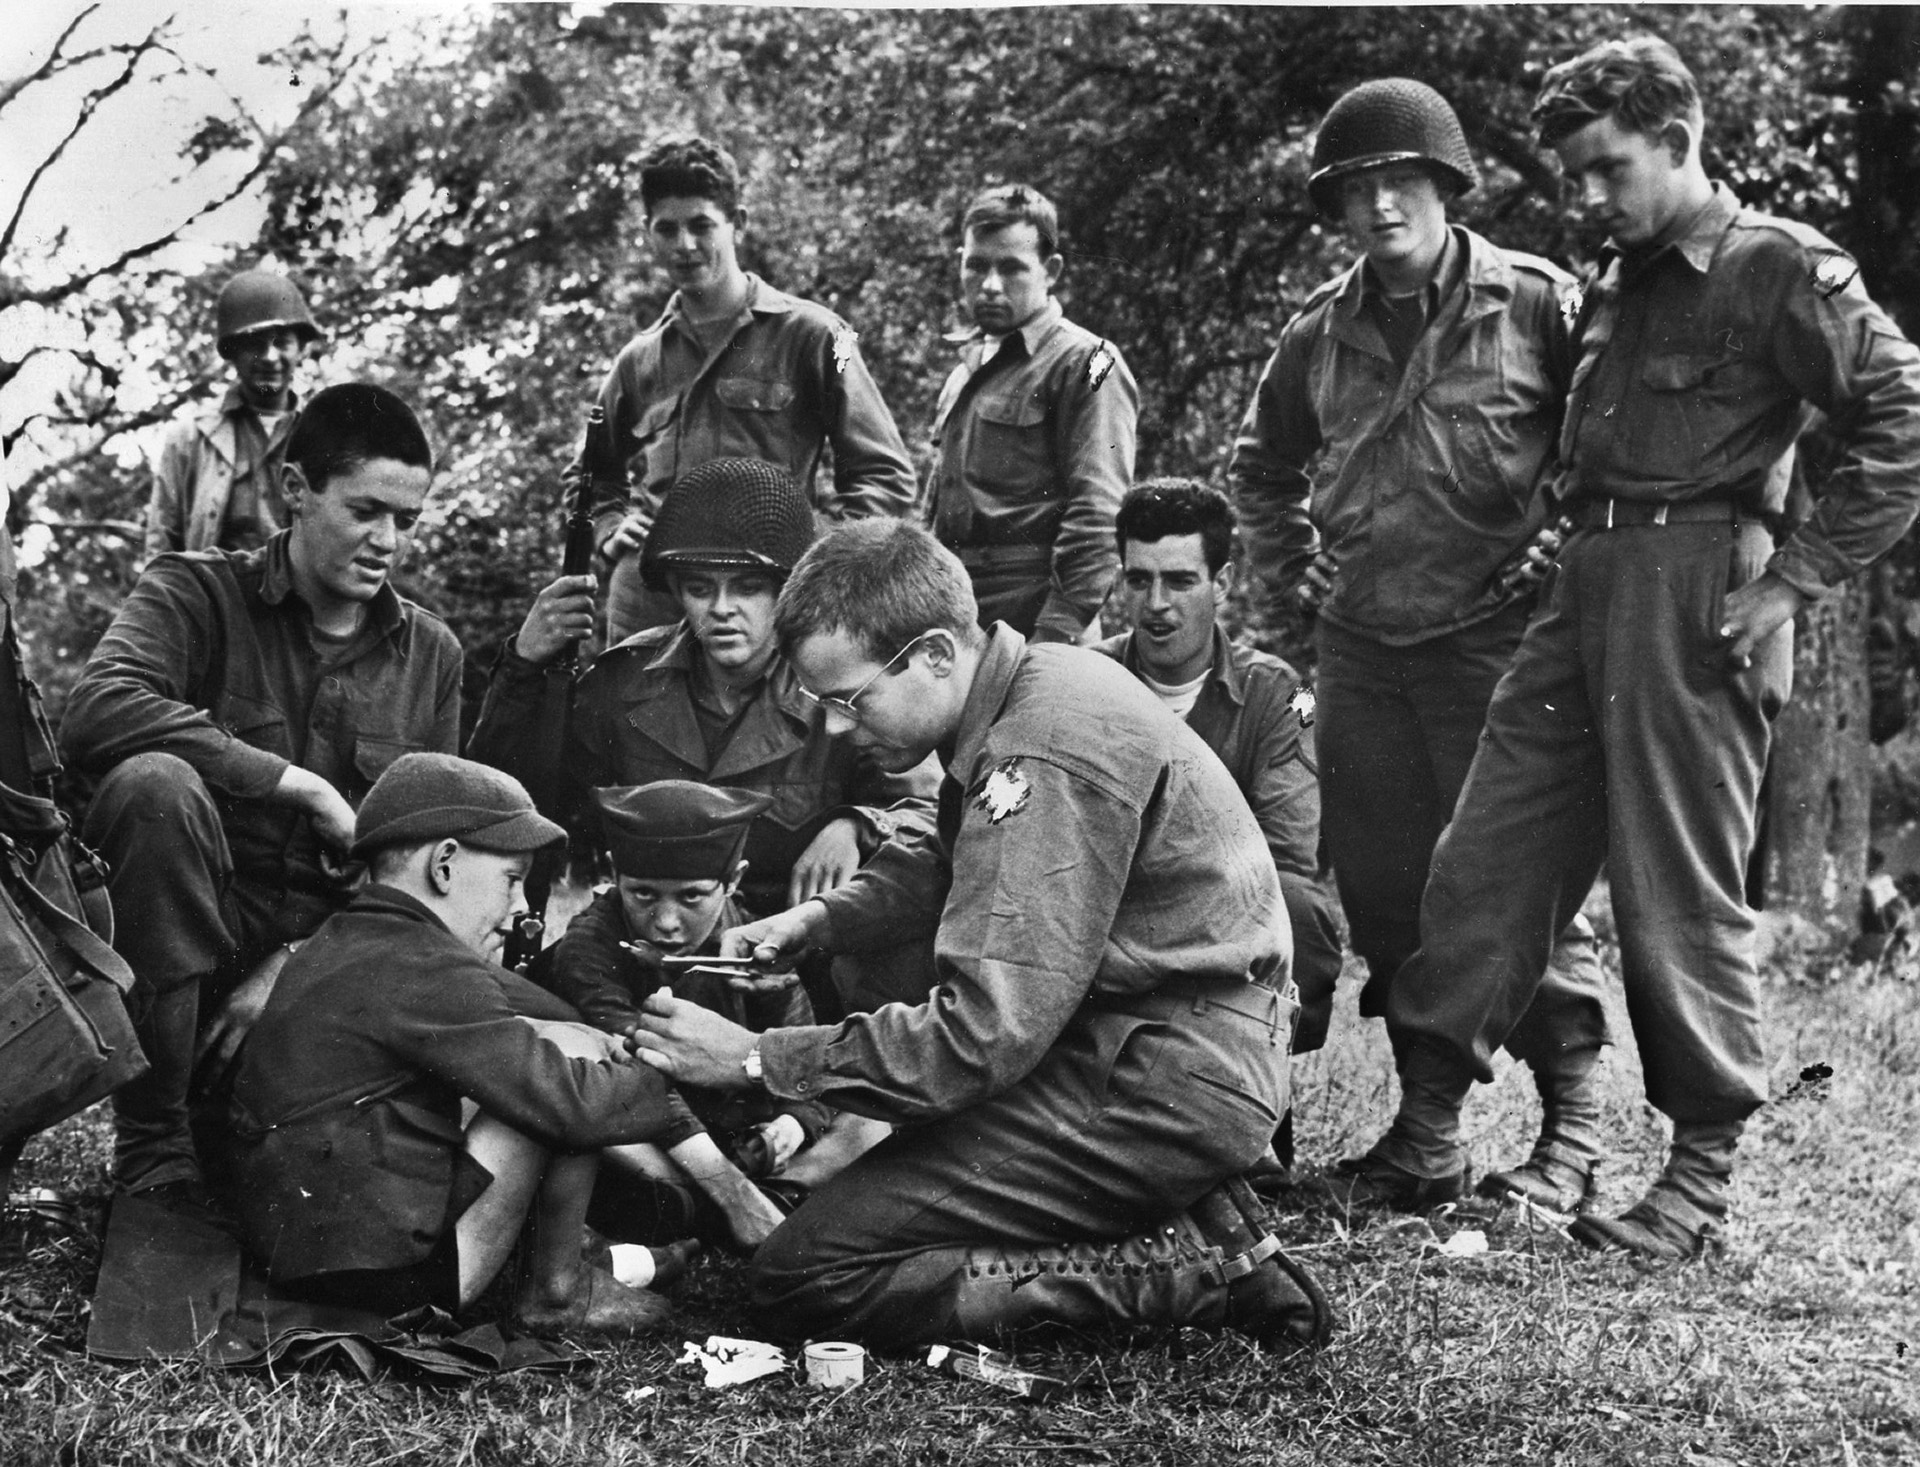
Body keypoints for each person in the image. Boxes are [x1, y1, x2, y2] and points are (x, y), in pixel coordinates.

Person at [1362, 37, 1920, 1257]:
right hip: (1585, 584)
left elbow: (1902, 414)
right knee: (1483, 859)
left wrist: (1794, 584)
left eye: (1610, 168)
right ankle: (1426, 1131)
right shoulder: (1617, 276)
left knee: (1677, 889)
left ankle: (1698, 1183)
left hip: (1697, 593)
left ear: (1679, 140)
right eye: (1578, 174)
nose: (1590, 197)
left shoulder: (1777, 268)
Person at [629, 519, 1331, 1352]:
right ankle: (1183, 1207)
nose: (843, 730)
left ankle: (1200, 1267)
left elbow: (980, 1032)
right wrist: (817, 920)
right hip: (1148, 1052)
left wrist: (754, 1057)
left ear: (931, 654)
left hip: (1155, 1081)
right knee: (856, 1216)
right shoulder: (1030, 685)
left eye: (851, 701)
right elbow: (946, 854)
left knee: (804, 1276)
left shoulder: (1038, 749)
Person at [1227, 78, 1611, 1214]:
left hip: (1503, 646)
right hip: (1363, 650)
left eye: (1403, 182)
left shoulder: (1538, 304)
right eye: (1358, 188)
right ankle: (1425, 1139)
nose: (1382, 204)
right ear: (1338, 208)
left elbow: (1602, 448)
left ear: (1447, 189)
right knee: (1392, 896)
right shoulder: (1317, 335)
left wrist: (1553, 560)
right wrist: (1294, 574)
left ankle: (1575, 1134)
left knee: (1514, 884)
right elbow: (1261, 469)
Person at [60, 383, 466, 1206]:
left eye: (407, 520)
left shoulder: (433, 654)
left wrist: (293, 965)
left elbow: (429, 868)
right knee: (155, 785)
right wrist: (303, 786)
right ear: (294, 489)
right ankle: (153, 1145)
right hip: (188, 951)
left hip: (329, 967)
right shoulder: (194, 592)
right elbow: (96, 709)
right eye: (365, 510)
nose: (388, 540)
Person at [225, 753, 682, 1335]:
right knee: (568, 1078)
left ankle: (572, 1266)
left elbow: (538, 1012)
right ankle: (557, 1292)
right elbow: (575, 1106)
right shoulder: (427, 964)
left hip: (308, 1254)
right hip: (386, 1290)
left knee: (551, 1052)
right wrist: (674, 1071)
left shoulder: (349, 937)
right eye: (512, 881)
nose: (520, 909)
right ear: (444, 865)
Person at [470, 457, 937, 931]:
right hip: (654, 944)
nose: (721, 609)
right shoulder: (624, 683)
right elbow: (514, 803)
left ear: (790, 590)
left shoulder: (839, 685)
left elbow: (933, 811)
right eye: (699, 587)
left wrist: (859, 824)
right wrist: (524, 666)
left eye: (748, 587)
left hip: (792, 949)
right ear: (675, 591)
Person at [583, 136, 917, 641]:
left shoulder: (817, 334)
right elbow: (590, 473)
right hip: (652, 602)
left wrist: (814, 554)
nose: (685, 245)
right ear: (647, 233)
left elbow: (884, 473)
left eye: (701, 225)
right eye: (666, 229)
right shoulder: (640, 359)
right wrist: (610, 527)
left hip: (767, 596)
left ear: (737, 222)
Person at [550, 780, 888, 1251]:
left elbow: (809, 1057)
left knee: (871, 1119)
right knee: (591, 1112)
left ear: (733, 881)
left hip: (743, 1135)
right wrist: (734, 1192)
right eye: (643, 895)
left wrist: (793, 1125)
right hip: (656, 1135)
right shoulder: (587, 949)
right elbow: (637, 1079)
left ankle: (745, 1204)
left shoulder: (752, 936)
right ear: (612, 873)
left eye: (692, 897)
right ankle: (743, 1208)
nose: (666, 922)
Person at [1093, 479, 1343, 1061]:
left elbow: (1286, 857)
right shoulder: (1085, 679)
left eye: (1180, 581)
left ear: (1221, 583)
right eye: (1139, 580)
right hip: (1107, 909)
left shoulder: (1280, 694)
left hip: (1224, 915)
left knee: (1301, 913)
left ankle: (1254, 1078)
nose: (1157, 604)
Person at [927, 184, 1138, 643]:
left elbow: (1100, 514)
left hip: (1039, 621)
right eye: (976, 266)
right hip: (958, 622)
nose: (989, 285)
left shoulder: (1088, 362)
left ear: (1051, 270)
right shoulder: (964, 374)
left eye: (1011, 268)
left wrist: (1054, 637)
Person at [144, 268, 323, 564]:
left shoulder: (324, 437)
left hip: (300, 607)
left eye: (282, 343)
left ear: (301, 349)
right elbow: (161, 544)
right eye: (254, 343)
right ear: (232, 352)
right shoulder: (190, 438)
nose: (269, 356)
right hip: (212, 605)